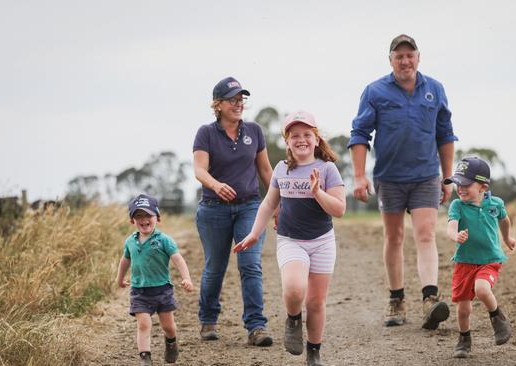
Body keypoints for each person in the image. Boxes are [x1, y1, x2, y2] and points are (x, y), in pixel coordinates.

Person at [348, 34, 458, 330]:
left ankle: (429, 299)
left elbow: (445, 135)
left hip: (425, 175)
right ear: (391, 60)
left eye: (410, 55)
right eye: (399, 56)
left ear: (418, 58)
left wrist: (447, 177)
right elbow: (359, 134)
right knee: (394, 237)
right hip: (390, 177)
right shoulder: (375, 91)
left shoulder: (435, 89)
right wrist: (359, 176)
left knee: (425, 233)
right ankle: (396, 299)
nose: (405, 61)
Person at [234, 111, 345, 366]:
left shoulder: (328, 169)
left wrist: (317, 192)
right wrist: (254, 233)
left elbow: (339, 209)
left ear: (316, 140)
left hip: (322, 241)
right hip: (290, 240)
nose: (301, 139)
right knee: (294, 289)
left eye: (307, 134)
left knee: (316, 302)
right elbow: (268, 204)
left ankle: (314, 352)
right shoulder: (282, 169)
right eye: (295, 135)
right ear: (287, 141)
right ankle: (293, 318)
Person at [192, 76, 274, 346]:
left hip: (250, 206)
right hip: (213, 209)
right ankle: (208, 320)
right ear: (218, 104)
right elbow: (199, 170)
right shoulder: (206, 133)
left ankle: (256, 326)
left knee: (250, 265)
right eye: (232, 99)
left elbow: (264, 170)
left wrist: (278, 203)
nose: (238, 104)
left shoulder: (254, 131)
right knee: (215, 267)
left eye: (241, 99)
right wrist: (216, 185)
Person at [444, 157, 516, 358]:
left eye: (466, 184)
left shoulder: (495, 204)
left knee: (482, 289)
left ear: (483, 186)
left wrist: (507, 238)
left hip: (490, 259)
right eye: (458, 184)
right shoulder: (458, 206)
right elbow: (451, 226)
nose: (461, 188)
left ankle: (498, 318)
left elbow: (505, 220)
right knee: (463, 310)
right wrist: (455, 236)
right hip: (464, 262)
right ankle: (464, 339)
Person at [116, 193, 194, 366]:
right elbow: (125, 261)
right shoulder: (130, 242)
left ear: (157, 217)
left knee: (168, 327)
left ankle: (171, 343)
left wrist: (186, 278)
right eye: (138, 216)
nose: (143, 220)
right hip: (139, 291)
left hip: (162, 290)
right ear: (132, 221)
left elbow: (178, 259)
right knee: (143, 324)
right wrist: (120, 279)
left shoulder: (164, 240)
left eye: (148, 215)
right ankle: (145, 357)